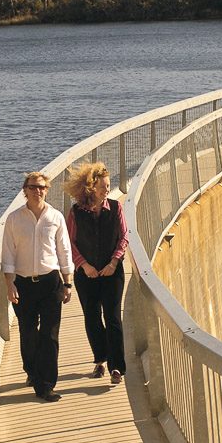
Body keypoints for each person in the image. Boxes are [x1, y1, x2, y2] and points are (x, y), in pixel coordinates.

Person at [1, 171, 74, 402]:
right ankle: (32, 371)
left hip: (50, 282)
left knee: (50, 334)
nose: (37, 191)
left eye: (42, 187)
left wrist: (68, 282)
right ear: (25, 190)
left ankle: (47, 385)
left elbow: (64, 251)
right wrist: (9, 283)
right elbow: (8, 253)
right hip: (24, 284)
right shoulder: (14, 219)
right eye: (33, 187)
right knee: (29, 333)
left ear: (47, 189)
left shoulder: (55, 217)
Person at [65, 162, 129, 385]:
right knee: (92, 318)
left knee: (112, 318)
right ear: (91, 188)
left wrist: (114, 262)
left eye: (109, 187)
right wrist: (84, 265)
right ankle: (100, 359)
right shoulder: (75, 213)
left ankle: (117, 367)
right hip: (87, 273)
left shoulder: (116, 208)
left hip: (112, 271)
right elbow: (70, 243)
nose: (106, 191)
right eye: (103, 187)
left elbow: (124, 237)